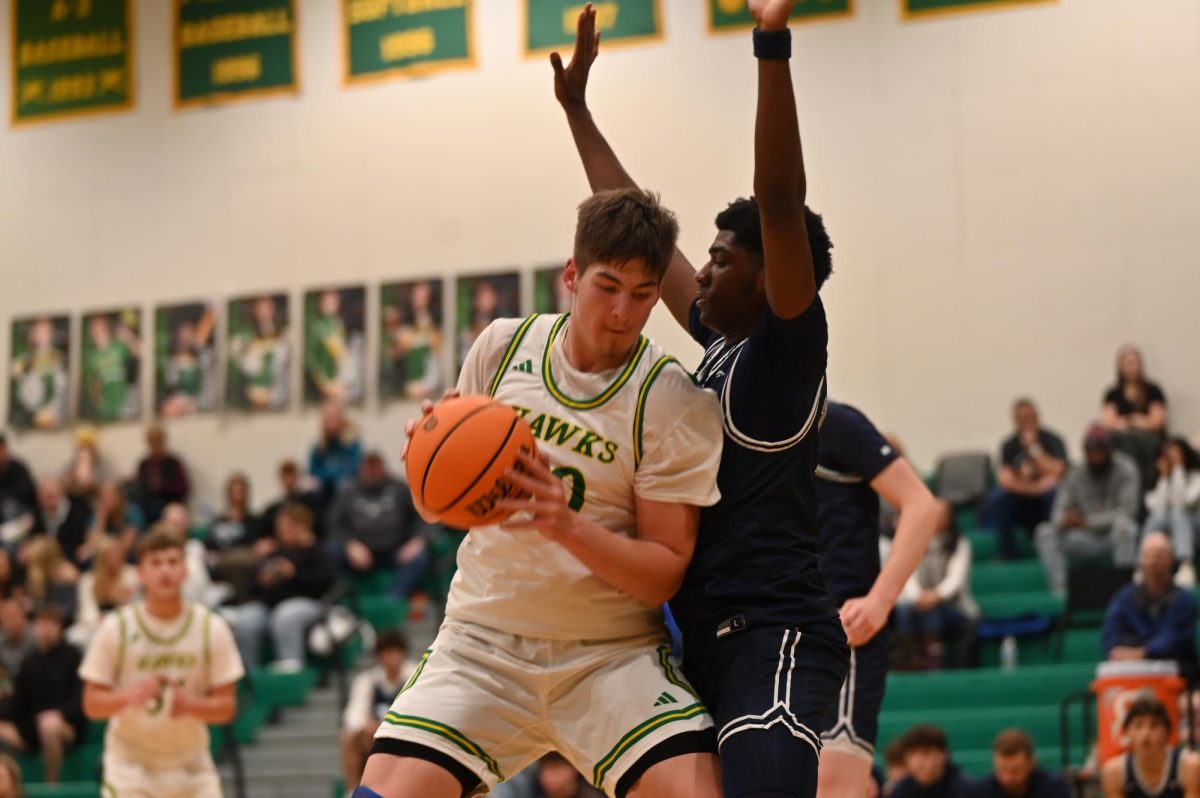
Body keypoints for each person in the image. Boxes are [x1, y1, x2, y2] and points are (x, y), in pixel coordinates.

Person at [552, 4, 848, 795]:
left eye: (721, 260)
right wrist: (577, 110)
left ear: (771, 277)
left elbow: (779, 201)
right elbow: (640, 237)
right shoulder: (720, 344)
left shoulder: (784, 356)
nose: (702, 272)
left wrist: (770, 43)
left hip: (773, 637)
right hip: (695, 644)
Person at [359, 188, 724, 798]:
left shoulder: (671, 399)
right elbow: (435, 510)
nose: (622, 312)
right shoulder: (502, 348)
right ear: (572, 276)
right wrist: (428, 466)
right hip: (484, 644)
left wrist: (567, 525)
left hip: (609, 655)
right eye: (608, 287)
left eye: (643, 295)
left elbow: (663, 575)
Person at [815, 402, 940, 797]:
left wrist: (879, 602)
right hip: (771, 638)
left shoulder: (835, 423)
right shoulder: (732, 420)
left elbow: (922, 506)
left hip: (842, 635)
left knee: (831, 788)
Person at [79, 527, 244, 798]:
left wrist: (190, 705)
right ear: (141, 573)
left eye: (172, 562)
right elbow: (91, 703)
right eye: (155, 563)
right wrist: (129, 696)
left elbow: (227, 707)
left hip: (190, 763)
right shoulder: (115, 627)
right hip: (130, 765)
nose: (164, 571)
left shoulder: (211, 628)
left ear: (185, 570)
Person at [226, 504, 336, 670]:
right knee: (247, 619)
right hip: (269, 604)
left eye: (289, 526)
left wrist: (294, 573)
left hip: (309, 603)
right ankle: (250, 676)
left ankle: (291, 673)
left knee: (285, 616)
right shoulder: (274, 551)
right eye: (281, 527)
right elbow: (250, 586)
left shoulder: (316, 550)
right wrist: (261, 580)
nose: (283, 531)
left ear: (302, 527)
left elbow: (327, 582)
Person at [1034, 425, 1140, 596]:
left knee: (1125, 527)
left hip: (1111, 535)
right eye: (1091, 451)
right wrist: (1065, 521)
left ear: (1108, 450)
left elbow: (1128, 511)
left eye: (1099, 450)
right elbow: (1057, 513)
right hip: (1082, 537)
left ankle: (1125, 594)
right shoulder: (1075, 474)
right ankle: (1061, 593)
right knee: (1044, 532)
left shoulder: (1126, 468)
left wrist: (1087, 521)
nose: (1095, 455)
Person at [327, 452, 434, 598]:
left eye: (375, 466)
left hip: (396, 552)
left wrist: (418, 541)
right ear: (361, 468)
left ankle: (393, 598)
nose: (372, 472)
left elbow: (423, 517)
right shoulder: (348, 491)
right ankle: (350, 597)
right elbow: (334, 523)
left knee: (420, 558)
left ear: (383, 467)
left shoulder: (399, 488)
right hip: (361, 555)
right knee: (331, 551)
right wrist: (350, 544)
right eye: (368, 467)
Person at [0, 607, 86, 784]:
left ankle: (51, 786)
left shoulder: (73, 655)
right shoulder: (29, 659)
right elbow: (17, 704)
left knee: (50, 726)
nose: (45, 629)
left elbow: (80, 699)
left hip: (66, 727)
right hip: (31, 728)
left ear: (59, 628)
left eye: (50, 624)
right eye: (41, 624)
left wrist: (59, 714)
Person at [892, 501, 980, 670]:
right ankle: (911, 659)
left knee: (933, 611)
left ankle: (934, 662)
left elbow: (955, 581)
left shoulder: (960, 544)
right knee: (904, 609)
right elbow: (910, 575)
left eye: (941, 514)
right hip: (920, 604)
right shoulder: (917, 542)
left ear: (950, 518)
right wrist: (919, 597)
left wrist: (934, 597)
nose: (937, 518)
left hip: (955, 608)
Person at [1103, 531, 1199, 680]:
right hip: (1130, 676)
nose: (1154, 561)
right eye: (1148, 555)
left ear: (1171, 559)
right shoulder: (1124, 598)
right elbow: (1111, 636)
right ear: (1141, 560)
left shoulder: (1183, 600)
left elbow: (1174, 640)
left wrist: (1142, 653)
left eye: (1159, 555)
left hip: (1178, 677)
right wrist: (1118, 651)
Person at [983, 399, 1069, 560]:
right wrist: (1037, 488)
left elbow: (1058, 472)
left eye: (1029, 417)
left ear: (1038, 417)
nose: (1026, 422)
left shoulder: (1053, 440)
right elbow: (1005, 480)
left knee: (1055, 493)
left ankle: (1055, 549)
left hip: (1046, 502)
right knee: (998, 498)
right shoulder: (1009, 445)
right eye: (1021, 418)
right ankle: (1008, 552)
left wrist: (1033, 448)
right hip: (1022, 502)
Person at [342, 630, 414, 789]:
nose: (390, 657)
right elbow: (353, 714)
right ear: (379, 656)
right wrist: (365, 725)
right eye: (386, 653)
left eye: (394, 652)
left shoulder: (415, 677)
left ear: (403, 653)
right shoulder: (367, 681)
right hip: (375, 737)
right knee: (348, 737)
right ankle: (353, 790)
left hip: (407, 735)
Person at [1101, 695, 1200, 798]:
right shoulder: (1114, 772)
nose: (1146, 733)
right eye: (1138, 725)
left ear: (1167, 732)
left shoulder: (1190, 766)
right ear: (1127, 732)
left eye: (1154, 725)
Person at [1101, 345, 1168, 493]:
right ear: (1120, 367)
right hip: (1121, 444)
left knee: (1142, 442)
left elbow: (1156, 422)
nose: (1132, 368)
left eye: (1135, 363)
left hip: (1148, 443)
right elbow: (1108, 423)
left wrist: (1127, 421)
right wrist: (1136, 420)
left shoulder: (1153, 390)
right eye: (1128, 364)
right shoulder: (1113, 394)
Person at [1143, 438, 1200, 587]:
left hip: (1193, 528)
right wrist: (1164, 477)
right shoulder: (1155, 479)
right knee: (1157, 516)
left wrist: (1178, 469)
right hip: (1166, 531)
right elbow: (1156, 507)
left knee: (1178, 512)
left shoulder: (1196, 477)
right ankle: (1143, 566)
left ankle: (1186, 563)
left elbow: (1184, 502)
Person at [67, 535, 138, 648]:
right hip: (97, 625)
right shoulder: (88, 581)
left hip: (124, 624)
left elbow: (135, 607)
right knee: (74, 636)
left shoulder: (132, 576)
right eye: (111, 555)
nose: (116, 558)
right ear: (102, 558)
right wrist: (99, 621)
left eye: (118, 554)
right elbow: (86, 611)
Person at [205, 473, 267, 603]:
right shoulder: (217, 522)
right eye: (233, 492)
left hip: (243, 565)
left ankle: (242, 602)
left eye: (240, 492)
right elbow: (209, 548)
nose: (237, 497)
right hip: (218, 568)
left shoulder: (255, 521)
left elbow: (258, 547)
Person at [971, 729, 1069, 798]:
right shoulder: (981, 791)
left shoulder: (1053, 788)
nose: (1007, 778)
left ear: (1032, 763)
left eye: (1015, 771)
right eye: (1001, 770)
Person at [81, 313, 139, 423]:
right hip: (105, 411)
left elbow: (140, 352)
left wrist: (127, 336)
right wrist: (98, 404)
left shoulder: (119, 346)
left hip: (124, 406)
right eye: (93, 325)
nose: (95, 329)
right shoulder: (91, 355)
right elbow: (94, 384)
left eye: (98, 324)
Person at [891, 725, 973, 798]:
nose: (918, 762)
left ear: (943, 755)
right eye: (912, 755)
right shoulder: (902, 790)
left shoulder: (964, 789)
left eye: (925, 754)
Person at [309, 400, 362, 510]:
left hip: (345, 488)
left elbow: (356, 468)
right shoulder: (319, 447)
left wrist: (331, 475)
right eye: (327, 419)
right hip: (325, 488)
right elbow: (313, 470)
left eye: (333, 418)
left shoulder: (352, 444)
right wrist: (330, 476)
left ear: (341, 420)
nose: (330, 422)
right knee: (311, 487)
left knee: (344, 484)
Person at [133, 424, 190, 526]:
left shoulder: (173, 462)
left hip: (169, 504)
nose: (155, 445)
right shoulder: (144, 464)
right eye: (152, 441)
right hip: (147, 506)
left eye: (158, 441)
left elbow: (184, 487)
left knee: (172, 513)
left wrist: (162, 484)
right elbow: (139, 487)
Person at [30, 476, 90, 567]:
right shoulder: (37, 515)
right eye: (46, 497)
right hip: (43, 562)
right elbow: (34, 539)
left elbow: (78, 548)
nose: (49, 501)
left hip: (69, 561)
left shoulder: (76, 514)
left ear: (61, 493)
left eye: (51, 496)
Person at [261, 459, 323, 541]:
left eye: (291, 475)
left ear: (298, 476)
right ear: (280, 478)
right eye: (285, 476)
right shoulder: (273, 509)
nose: (289, 480)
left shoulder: (311, 502)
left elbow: (320, 528)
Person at [22, 538, 78, 625]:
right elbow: (37, 603)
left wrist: (38, 608)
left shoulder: (67, 574)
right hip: (42, 621)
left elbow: (69, 610)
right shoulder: (36, 576)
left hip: (64, 622)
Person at [0, 435, 38, 545]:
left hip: (21, 514)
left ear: (4, 449)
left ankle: (8, 546)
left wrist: (4, 498)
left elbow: (27, 491)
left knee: (10, 505)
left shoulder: (18, 469)